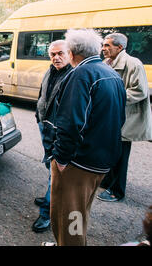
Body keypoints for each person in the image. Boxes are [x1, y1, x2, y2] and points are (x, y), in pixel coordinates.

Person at [49, 28, 126, 246]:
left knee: (70, 216)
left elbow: (71, 123)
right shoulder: (111, 74)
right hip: (101, 161)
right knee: (80, 212)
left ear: (72, 53)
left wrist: (61, 159)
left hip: (79, 163)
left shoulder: (81, 74)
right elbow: (120, 118)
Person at [97, 33, 152, 202]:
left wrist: (113, 98)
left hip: (126, 118)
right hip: (113, 117)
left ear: (119, 47)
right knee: (112, 151)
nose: (104, 49)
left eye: (108, 46)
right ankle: (108, 181)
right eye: (103, 45)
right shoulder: (107, 63)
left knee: (121, 155)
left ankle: (117, 191)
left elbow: (141, 91)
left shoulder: (133, 63)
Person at [32, 40, 72, 233]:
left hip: (59, 131)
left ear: (69, 53)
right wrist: (37, 116)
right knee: (51, 166)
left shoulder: (74, 74)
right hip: (45, 125)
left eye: (60, 53)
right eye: (52, 54)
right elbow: (42, 94)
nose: (56, 57)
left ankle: (47, 213)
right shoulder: (50, 70)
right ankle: (51, 197)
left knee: (56, 173)